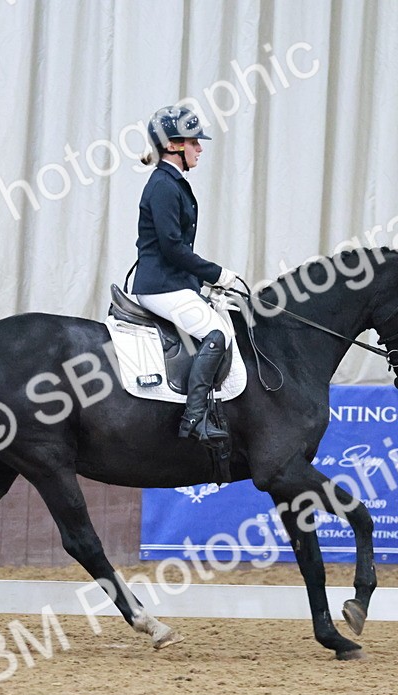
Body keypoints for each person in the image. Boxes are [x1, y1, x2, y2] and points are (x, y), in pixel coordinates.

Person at [133, 104, 242, 443]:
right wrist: (217, 274)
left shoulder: (171, 182)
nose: (200, 148)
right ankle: (194, 418)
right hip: (160, 285)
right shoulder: (164, 185)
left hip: (173, 283)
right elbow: (172, 248)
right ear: (175, 145)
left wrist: (199, 285)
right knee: (216, 333)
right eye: (195, 142)